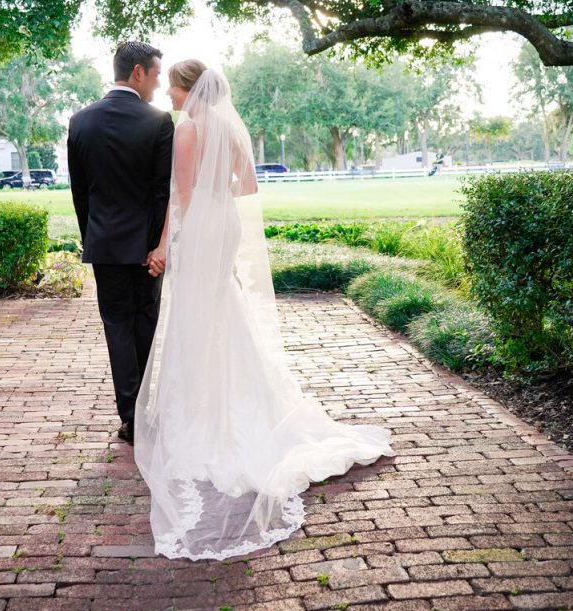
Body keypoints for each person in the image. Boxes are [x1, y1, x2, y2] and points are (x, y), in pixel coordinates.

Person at [134, 61, 394, 560]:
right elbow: (248, 186)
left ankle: (204, 411)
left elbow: (180, 198)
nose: (167, 91)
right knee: (220, 310)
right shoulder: (231, 128)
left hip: (202, 229)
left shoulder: (188, 131)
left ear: (190, 89)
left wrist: (169, 243)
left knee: (195, 319)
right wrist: (218, 192)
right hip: (225, 224)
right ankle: (233, 396)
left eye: (173, 85)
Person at [67, 41, 174, 445]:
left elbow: (82, 195)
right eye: (156, 74)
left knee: (116, 327)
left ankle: (129, 416)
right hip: (146, 251)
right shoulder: (159, 122)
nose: (158, 83)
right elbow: (161, 192)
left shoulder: (80, 122)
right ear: (137, 73)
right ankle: (144, 414)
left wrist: (92, 237)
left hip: (105, 245)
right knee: (144, 325)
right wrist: (156, 248)